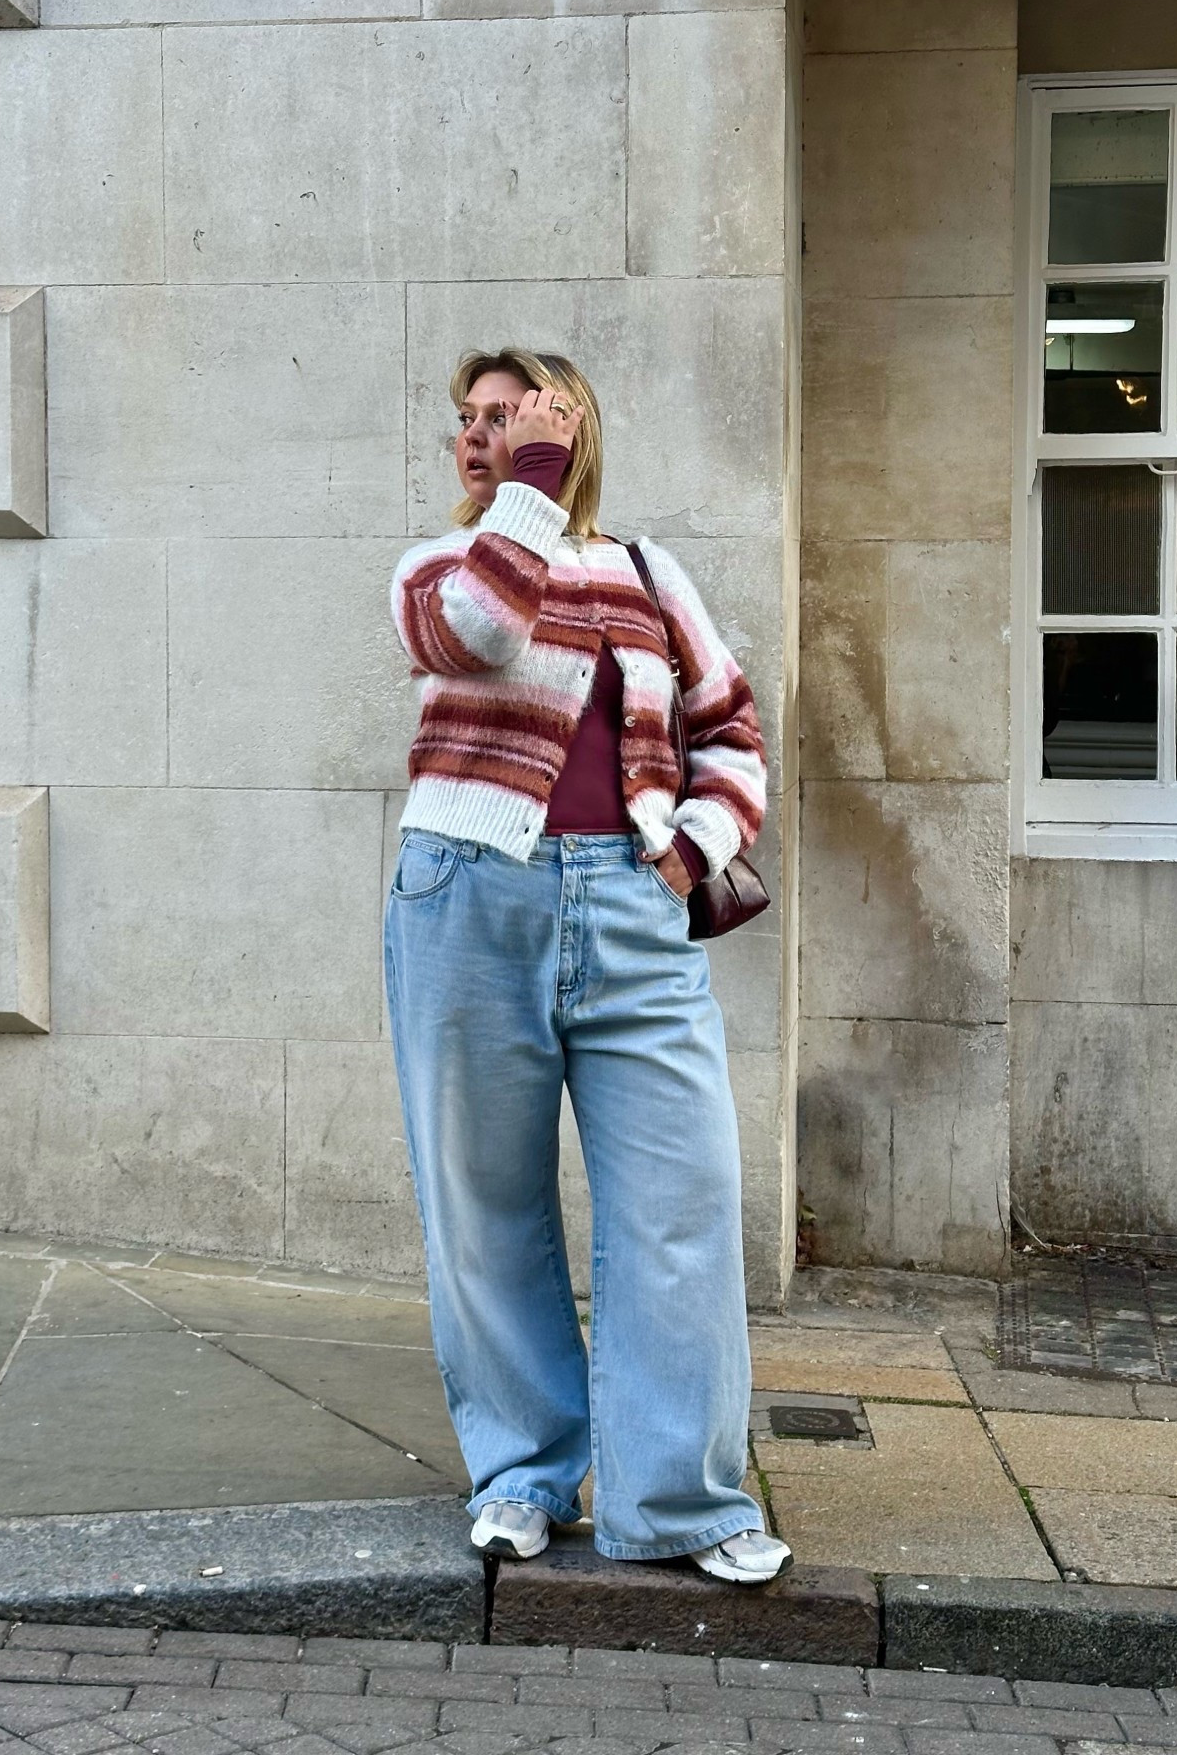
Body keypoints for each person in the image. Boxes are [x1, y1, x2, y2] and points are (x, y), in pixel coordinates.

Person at [383, 346, 790, 1585]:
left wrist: (688, 853)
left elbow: (731, 726)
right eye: (467, 418)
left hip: (630, 906)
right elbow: (477, 632)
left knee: (683, 1200)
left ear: (569, 426)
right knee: (486, 1206)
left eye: (507, 415)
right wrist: (532, 490)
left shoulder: (652, 575)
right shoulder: (436, 565)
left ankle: (683, 1500)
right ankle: (523, 1472)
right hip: (466, 901)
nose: (476, 432)